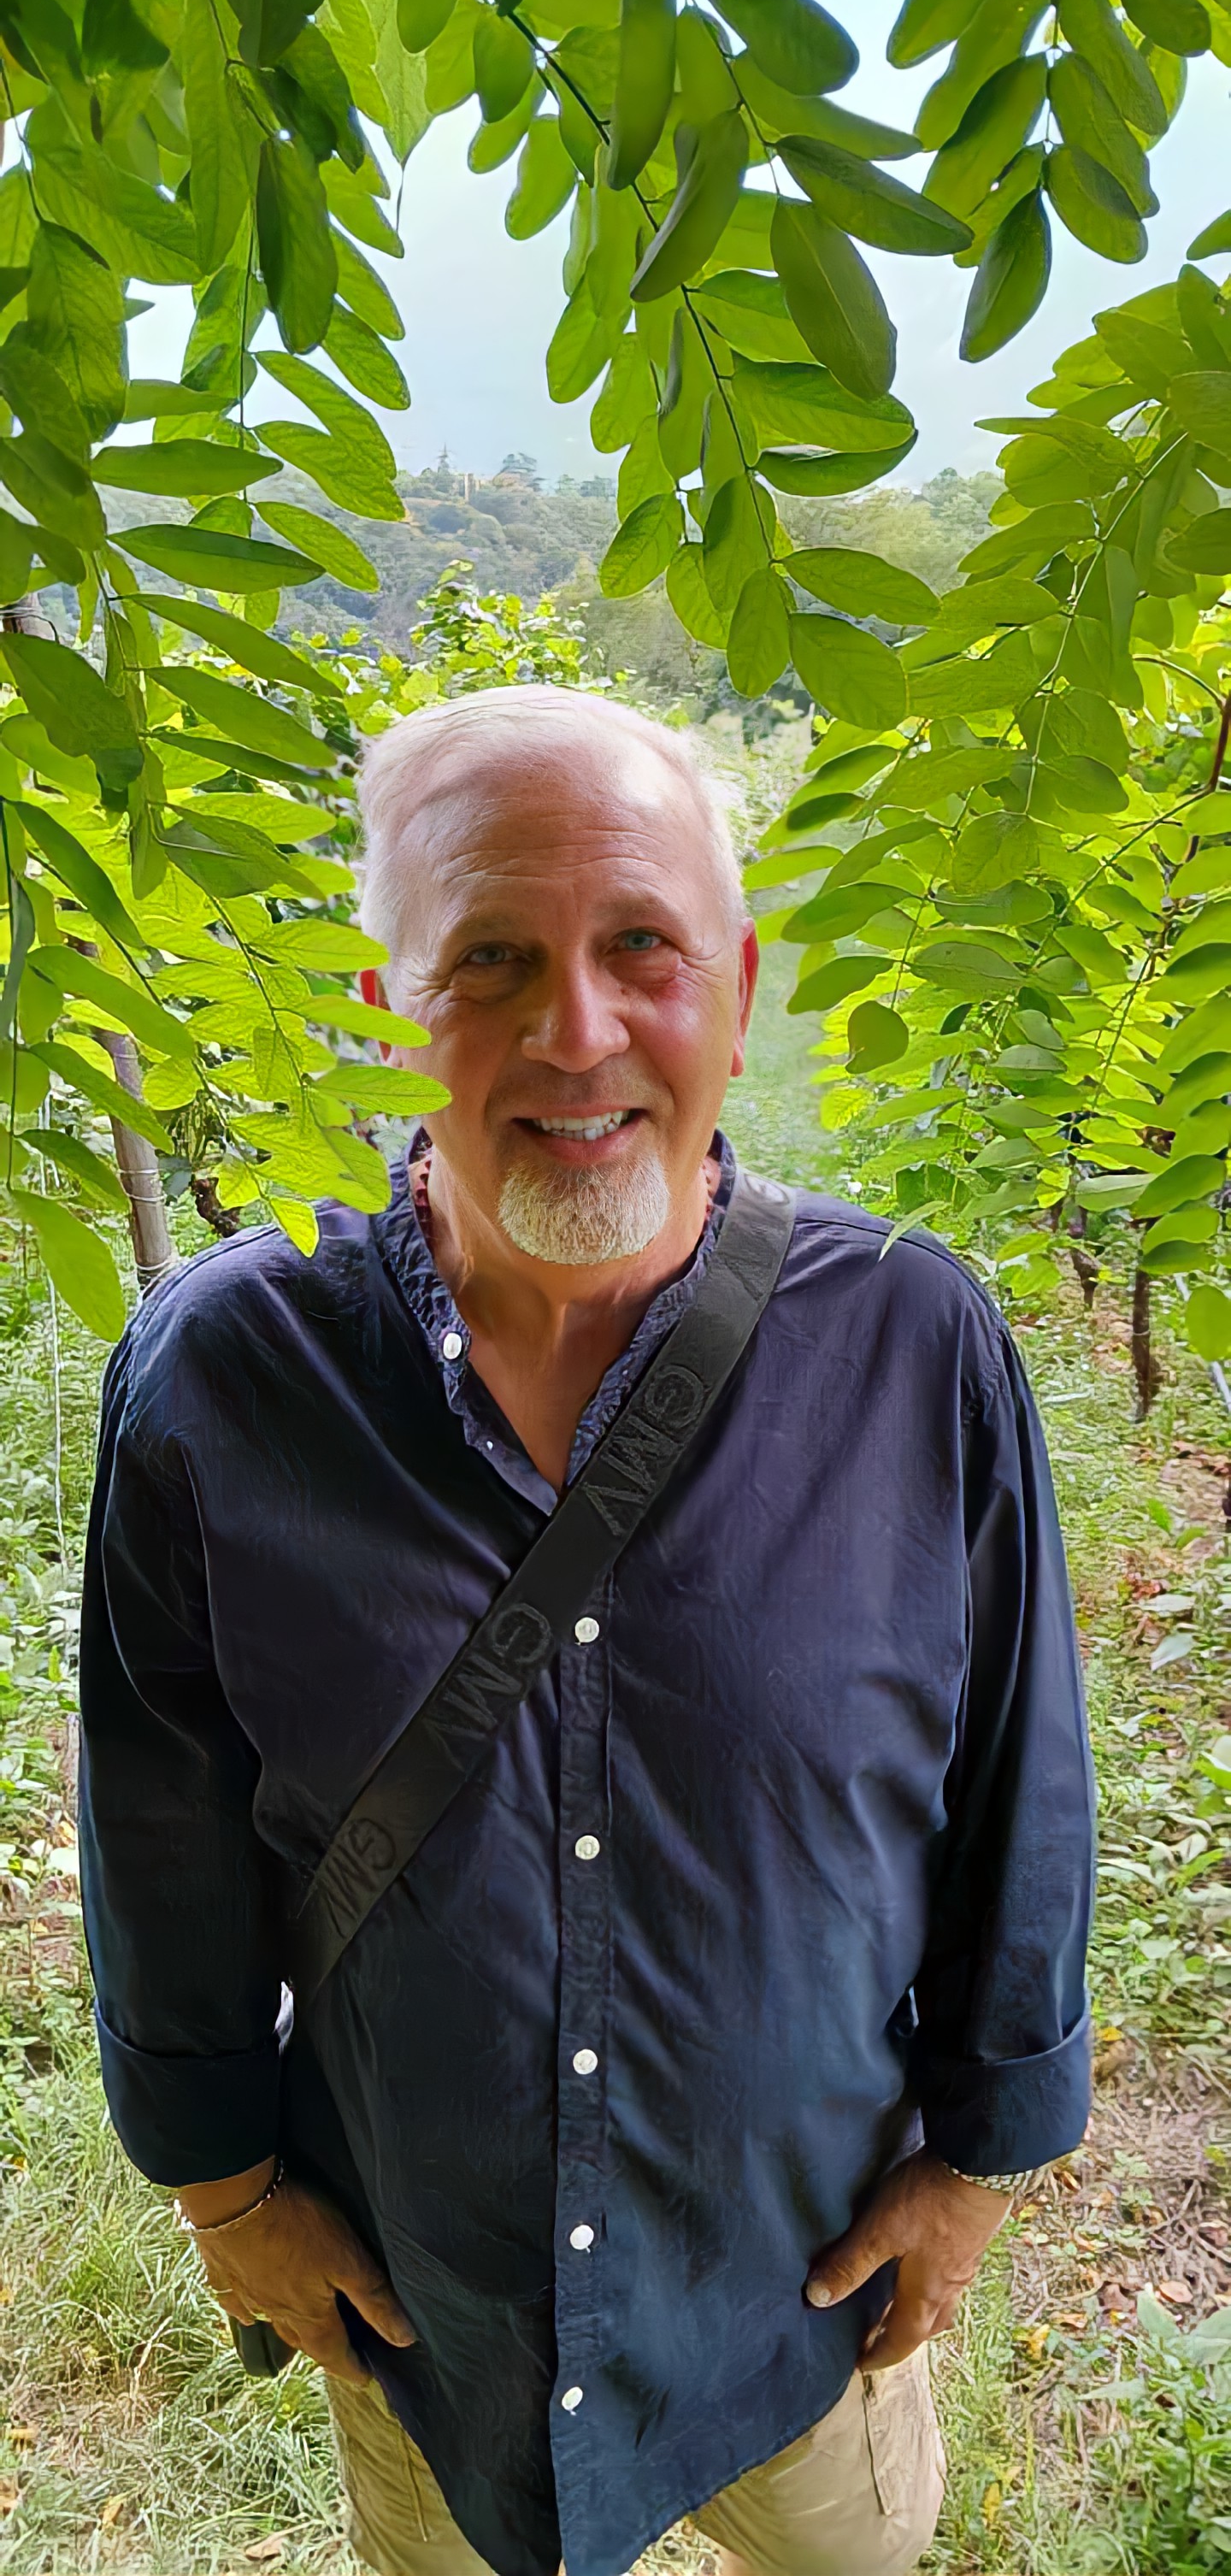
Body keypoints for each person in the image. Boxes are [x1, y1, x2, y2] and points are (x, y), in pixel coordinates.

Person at [79, 686, 1095, 2576]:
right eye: (490, 958)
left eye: (643, 946)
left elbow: (1018, 1791)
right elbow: (159, 1827)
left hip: (800, 2299)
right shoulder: (226, 1375)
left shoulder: (913, 1346)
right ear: (382, 1009)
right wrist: (224, 2193)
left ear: (737, 987)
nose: (576, 1031)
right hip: (432, 2322)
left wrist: (973, 2164)